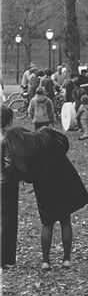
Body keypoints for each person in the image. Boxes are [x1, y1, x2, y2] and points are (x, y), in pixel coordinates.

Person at [3, 125, 88, 270]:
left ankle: (46, 261)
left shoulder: (27, 152)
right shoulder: (46, 137)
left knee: (47, 224)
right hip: (63, 181)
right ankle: (66, 259)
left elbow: (28, 177)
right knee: (65, 221)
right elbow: (64, 143)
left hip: (44, 187)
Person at [1, 106, 21, 269]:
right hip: (6, 182)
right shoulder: (7, 138)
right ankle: (6, 258)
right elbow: (8, 165)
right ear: (9, 120)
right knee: (8, 219)